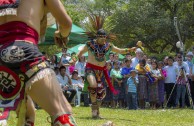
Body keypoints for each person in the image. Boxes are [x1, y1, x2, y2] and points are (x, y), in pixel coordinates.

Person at [0, 0, 77, 126]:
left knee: (27, 113)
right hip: (23, 49)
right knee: (62, 111)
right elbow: (66, 23)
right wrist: (62, 34)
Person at [77, 29, 137, 118]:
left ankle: (97, 111)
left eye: (104, 36)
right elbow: (81, 52)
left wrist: (130, 49)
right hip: (90, 69)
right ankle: (93, 108)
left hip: (101, 71)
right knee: (93, 85)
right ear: (97, 36)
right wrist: (77, 56)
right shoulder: (90, 44)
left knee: (101, 93)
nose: (102, 38)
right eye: (100, 36)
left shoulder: (108, 45)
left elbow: (120, 50)